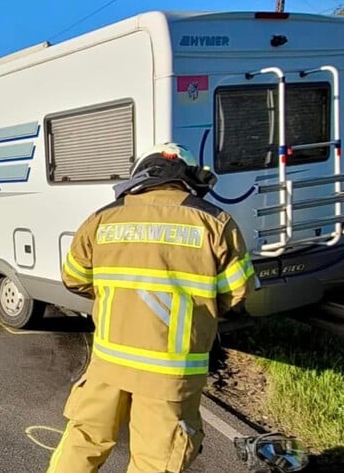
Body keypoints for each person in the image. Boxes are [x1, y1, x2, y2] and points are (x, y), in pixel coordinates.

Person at [47, 143, 259, 473]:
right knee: (155, 461)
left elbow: (73, 278)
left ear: (141, 176)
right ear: (190, 180)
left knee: (83, 442)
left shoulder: (102, 219)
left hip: (109, 362)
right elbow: (235, 294)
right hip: (171, 373)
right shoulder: (215, 223)